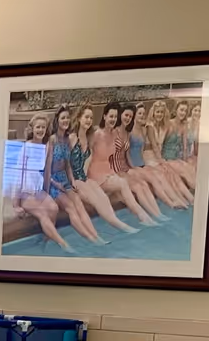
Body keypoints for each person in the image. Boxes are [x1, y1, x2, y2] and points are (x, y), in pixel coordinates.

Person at [66, 106, 139, 235]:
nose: (89, 120)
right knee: (96, 200)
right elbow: (66, 163)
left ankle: (117, 222)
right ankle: (121, 226)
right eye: (86, 117)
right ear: (79, 118)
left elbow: (88, 161)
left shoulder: (89, 137)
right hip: (74, 180)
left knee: (103, 197)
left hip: (84, 178)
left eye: (91, 118)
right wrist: (72, 181)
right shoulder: (72, 138)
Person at [9, 112, 74, 249]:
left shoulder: (46, 147)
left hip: (38, 189)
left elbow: (46, 173)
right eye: (38, 127)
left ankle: (47, 240)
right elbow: (18, 175)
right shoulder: (26, 147)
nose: (40, 130)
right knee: (43, 214)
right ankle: (63, 244)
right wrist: (16, 204)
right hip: (25, 192)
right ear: (32, 129)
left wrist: (46, 192)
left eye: (43, 127)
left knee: (54, 208)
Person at [89, 105, 162, 223]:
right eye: (125, 115)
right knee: (133, 187)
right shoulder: (105, 133)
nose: (127, 118)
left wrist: (130, 169)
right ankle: (146, 217)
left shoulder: (120, 133)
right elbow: (91, 155)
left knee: (141, 185)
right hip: (108, 172)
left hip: (116, 170)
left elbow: (123, 155)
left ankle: (155, 214)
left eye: (130, 116)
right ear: (105, 116)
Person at [44, 108, 105, 243]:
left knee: (79, 203)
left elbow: (67, 166)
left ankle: (96, 235)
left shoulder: (67, 140)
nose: (65, 120)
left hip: (65, 179)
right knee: (72, 209)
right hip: (53, 181)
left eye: (67, 118)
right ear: (57, 121)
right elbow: (46, 169)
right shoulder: (52, 140)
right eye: (62, 118)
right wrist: (52, 186)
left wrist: (72, 180)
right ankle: (90, 239)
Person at [128, 103, 190, 207]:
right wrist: (162, 161)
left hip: (158, 157)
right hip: (150, 157)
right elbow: (154, 146)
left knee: (172, 174)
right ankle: (173, 200)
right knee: (164, 174)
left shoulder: (163, 126)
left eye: (161, 112)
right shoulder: (149, 126)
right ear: (153, 113)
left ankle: (182, 199)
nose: (159, 114)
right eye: (157, 112)